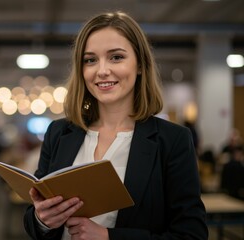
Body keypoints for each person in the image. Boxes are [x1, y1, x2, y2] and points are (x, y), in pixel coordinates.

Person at [23, 11, 208, 240]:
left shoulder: (172, 140)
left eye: (116, 57)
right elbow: (34, 219)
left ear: (140, 65)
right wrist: (42, 220)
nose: (101, 71)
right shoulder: (59, 133)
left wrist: (109, 237)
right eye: (90, 60)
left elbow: (192, 235)